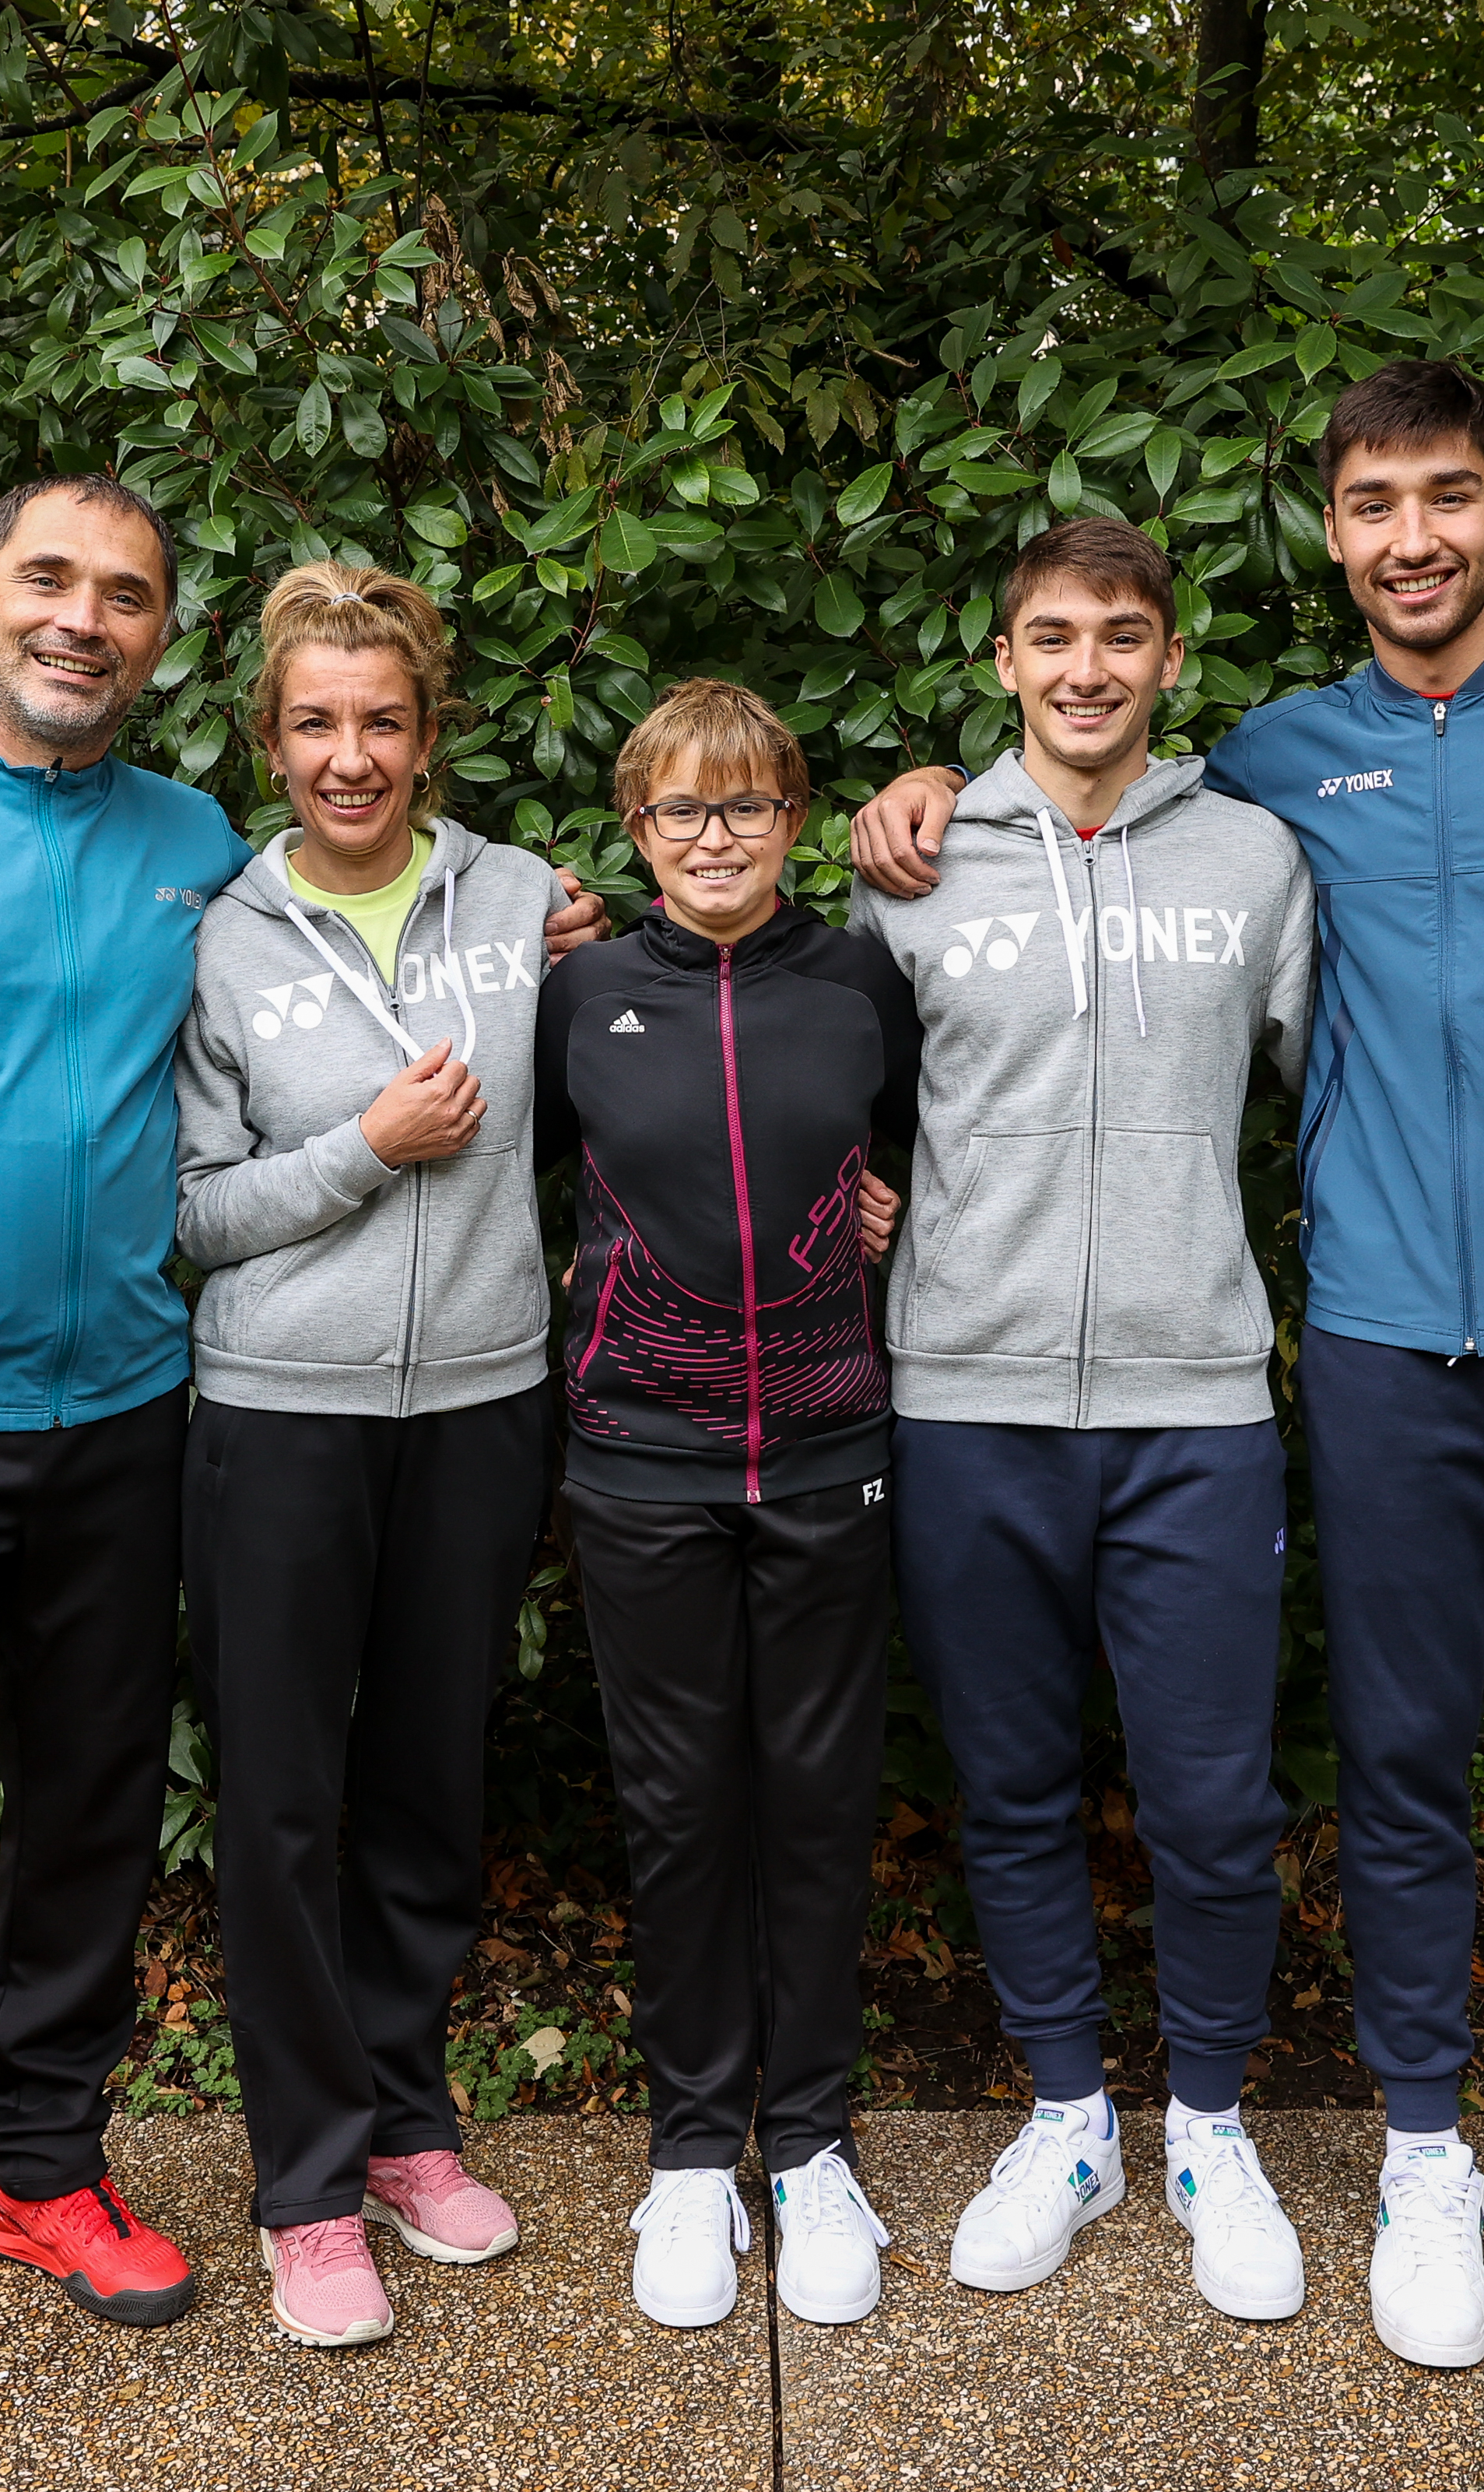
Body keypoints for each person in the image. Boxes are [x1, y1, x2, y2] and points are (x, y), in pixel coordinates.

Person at [852, 360, 1484, 2396]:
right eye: (1372, 503)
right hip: (1387, 1329)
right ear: (1327, 533)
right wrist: (908, 798)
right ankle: (1424, 2151)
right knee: (1400, 1762)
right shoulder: (1272, 769)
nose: (1410, 535)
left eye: (1446, 496)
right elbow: (1075, 848)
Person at [0, 486, 600, 2492]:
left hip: (129, 1413)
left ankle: (41, 2164)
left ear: (166, 638)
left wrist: (563, 924)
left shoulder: (190, 849)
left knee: (89, 1808)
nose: (87, 620)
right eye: (54, 582)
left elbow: (440, 933)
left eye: (128, 595)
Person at [841, 515, 1318, 2325]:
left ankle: (1208, 2120)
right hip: (967, 1392)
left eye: (1123, 634)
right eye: (1053, 635)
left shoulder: (1263, 854)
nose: (1089, 666)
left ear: (1168, 657)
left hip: (1198, 1396)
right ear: (1002, 656)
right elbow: (832, 1083)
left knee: (1211, 1798)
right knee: (1014, 1785)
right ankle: (1068, 2113)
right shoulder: (920, 859)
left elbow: (1353, 1079)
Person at [173, 560, 567, 2350]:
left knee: (425, 1786)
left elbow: (659, 1036)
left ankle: (409, 2121)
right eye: (317, 722)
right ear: (273, 733)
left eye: (382, 720)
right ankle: (308, 2182)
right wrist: (368, 1146)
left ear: (429, 729)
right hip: (282, 1416)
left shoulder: (520, 904)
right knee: (282, 1803)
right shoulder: (219, 933)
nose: (352, 755)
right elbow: (190, 1215)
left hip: (484, 1398)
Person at [532, 679, 921, 2332]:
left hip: (834, 1452)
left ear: (795, 819)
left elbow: (910, 1159)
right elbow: (526, 1178)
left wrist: (876, 1215)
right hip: (640, 1461)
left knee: (822, 1802)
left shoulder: (858, 979)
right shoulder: (583, 995)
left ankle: (815, 2141)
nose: (715, 837)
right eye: (682, 810)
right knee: (683, 1804)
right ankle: (694, 2147)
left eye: (748, 805)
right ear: (636, 831)